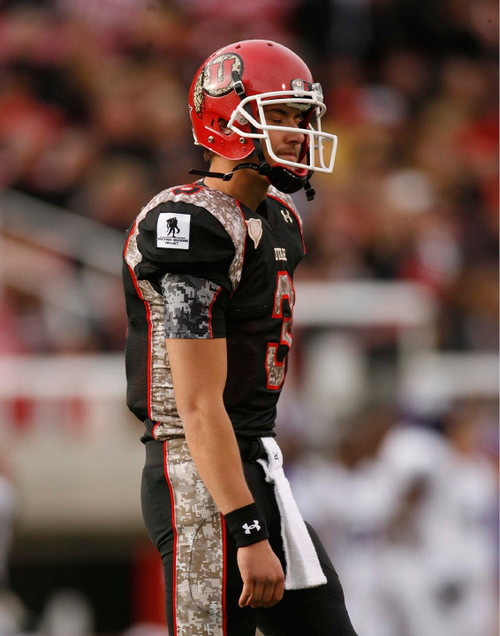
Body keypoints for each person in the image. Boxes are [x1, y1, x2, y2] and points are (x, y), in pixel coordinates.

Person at [123, 39, 356, 635]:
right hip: (199, 476)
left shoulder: (281, 216)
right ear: (226, 117)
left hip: (258, 462)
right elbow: (199, 405)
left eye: (300, 117)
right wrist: (245, 528)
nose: (297, 132)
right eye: (276, 116)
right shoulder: (187, 224)